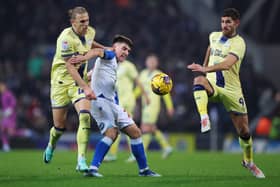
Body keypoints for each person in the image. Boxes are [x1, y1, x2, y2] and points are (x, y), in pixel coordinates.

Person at [187, 8, 265, 178]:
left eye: (228, 22)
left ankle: (249, 162)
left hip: (232, 91)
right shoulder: (214, 35)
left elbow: (227, 64)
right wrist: (204, 70)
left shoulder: (239, 43)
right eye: (222, 21)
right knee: (198, 81)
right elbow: (210, 47)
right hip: (214, 85)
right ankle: (204, 117)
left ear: (236, 23)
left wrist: (206, 67)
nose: (224, 25)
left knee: (244, 131)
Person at [69, 35, 161, 177]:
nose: (126, 52)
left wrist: (120, 110)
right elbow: (97, 52)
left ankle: (144, 170)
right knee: (111, 134)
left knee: (135, 132)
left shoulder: (113, 63)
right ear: (114, 47)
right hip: (100, 101)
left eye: (128, 51)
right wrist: (84, 58)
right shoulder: (110, 55)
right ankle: (93, 169)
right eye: (124, 48)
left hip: (112, 103)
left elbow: (110, 87)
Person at [43, 6, 106, 172]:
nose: (86, 24)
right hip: (61, 84)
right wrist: (87, 88)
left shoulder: (90, 31)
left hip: (79, 83)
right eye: (82, 21)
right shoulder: (65, 39)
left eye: (87, 20)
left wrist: (107, 50)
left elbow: (90, 43)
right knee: (59, 127)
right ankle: (51, 145)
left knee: (85, 117)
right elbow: (71, 67)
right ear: (73, 22)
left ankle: (81, 161)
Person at [127, 54, 174, 162]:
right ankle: (166, 147)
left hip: (153, 105)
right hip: (145, 106)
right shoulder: (143, 74)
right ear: (146, 62)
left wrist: (169, 107)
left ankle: (139, 154)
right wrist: (132, 97)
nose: (151, 63)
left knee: (144, 128)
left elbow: (166, 92)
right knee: (151, 128)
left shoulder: (161, 75)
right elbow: (140, 89)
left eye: (153, 61)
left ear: (156, 63)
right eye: (149, 61)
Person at [104, 59, 149, 162]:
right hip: (118, 100)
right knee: (120, 127)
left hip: (127, 100)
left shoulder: (129, 65)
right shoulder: (114, 65)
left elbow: (138, 81)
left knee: (127, 127)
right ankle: (116, 154)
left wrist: (146, 96)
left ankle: (134, 153)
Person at [0, 81, 17, 152]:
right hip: (4, 115)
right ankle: (5, 145)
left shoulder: (8, 94)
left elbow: (14, 102)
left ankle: (26, 133)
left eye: (1, 86)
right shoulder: (2, 95)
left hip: (10, 116)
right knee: (2, 130)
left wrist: (9, 110)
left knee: (10, 132)